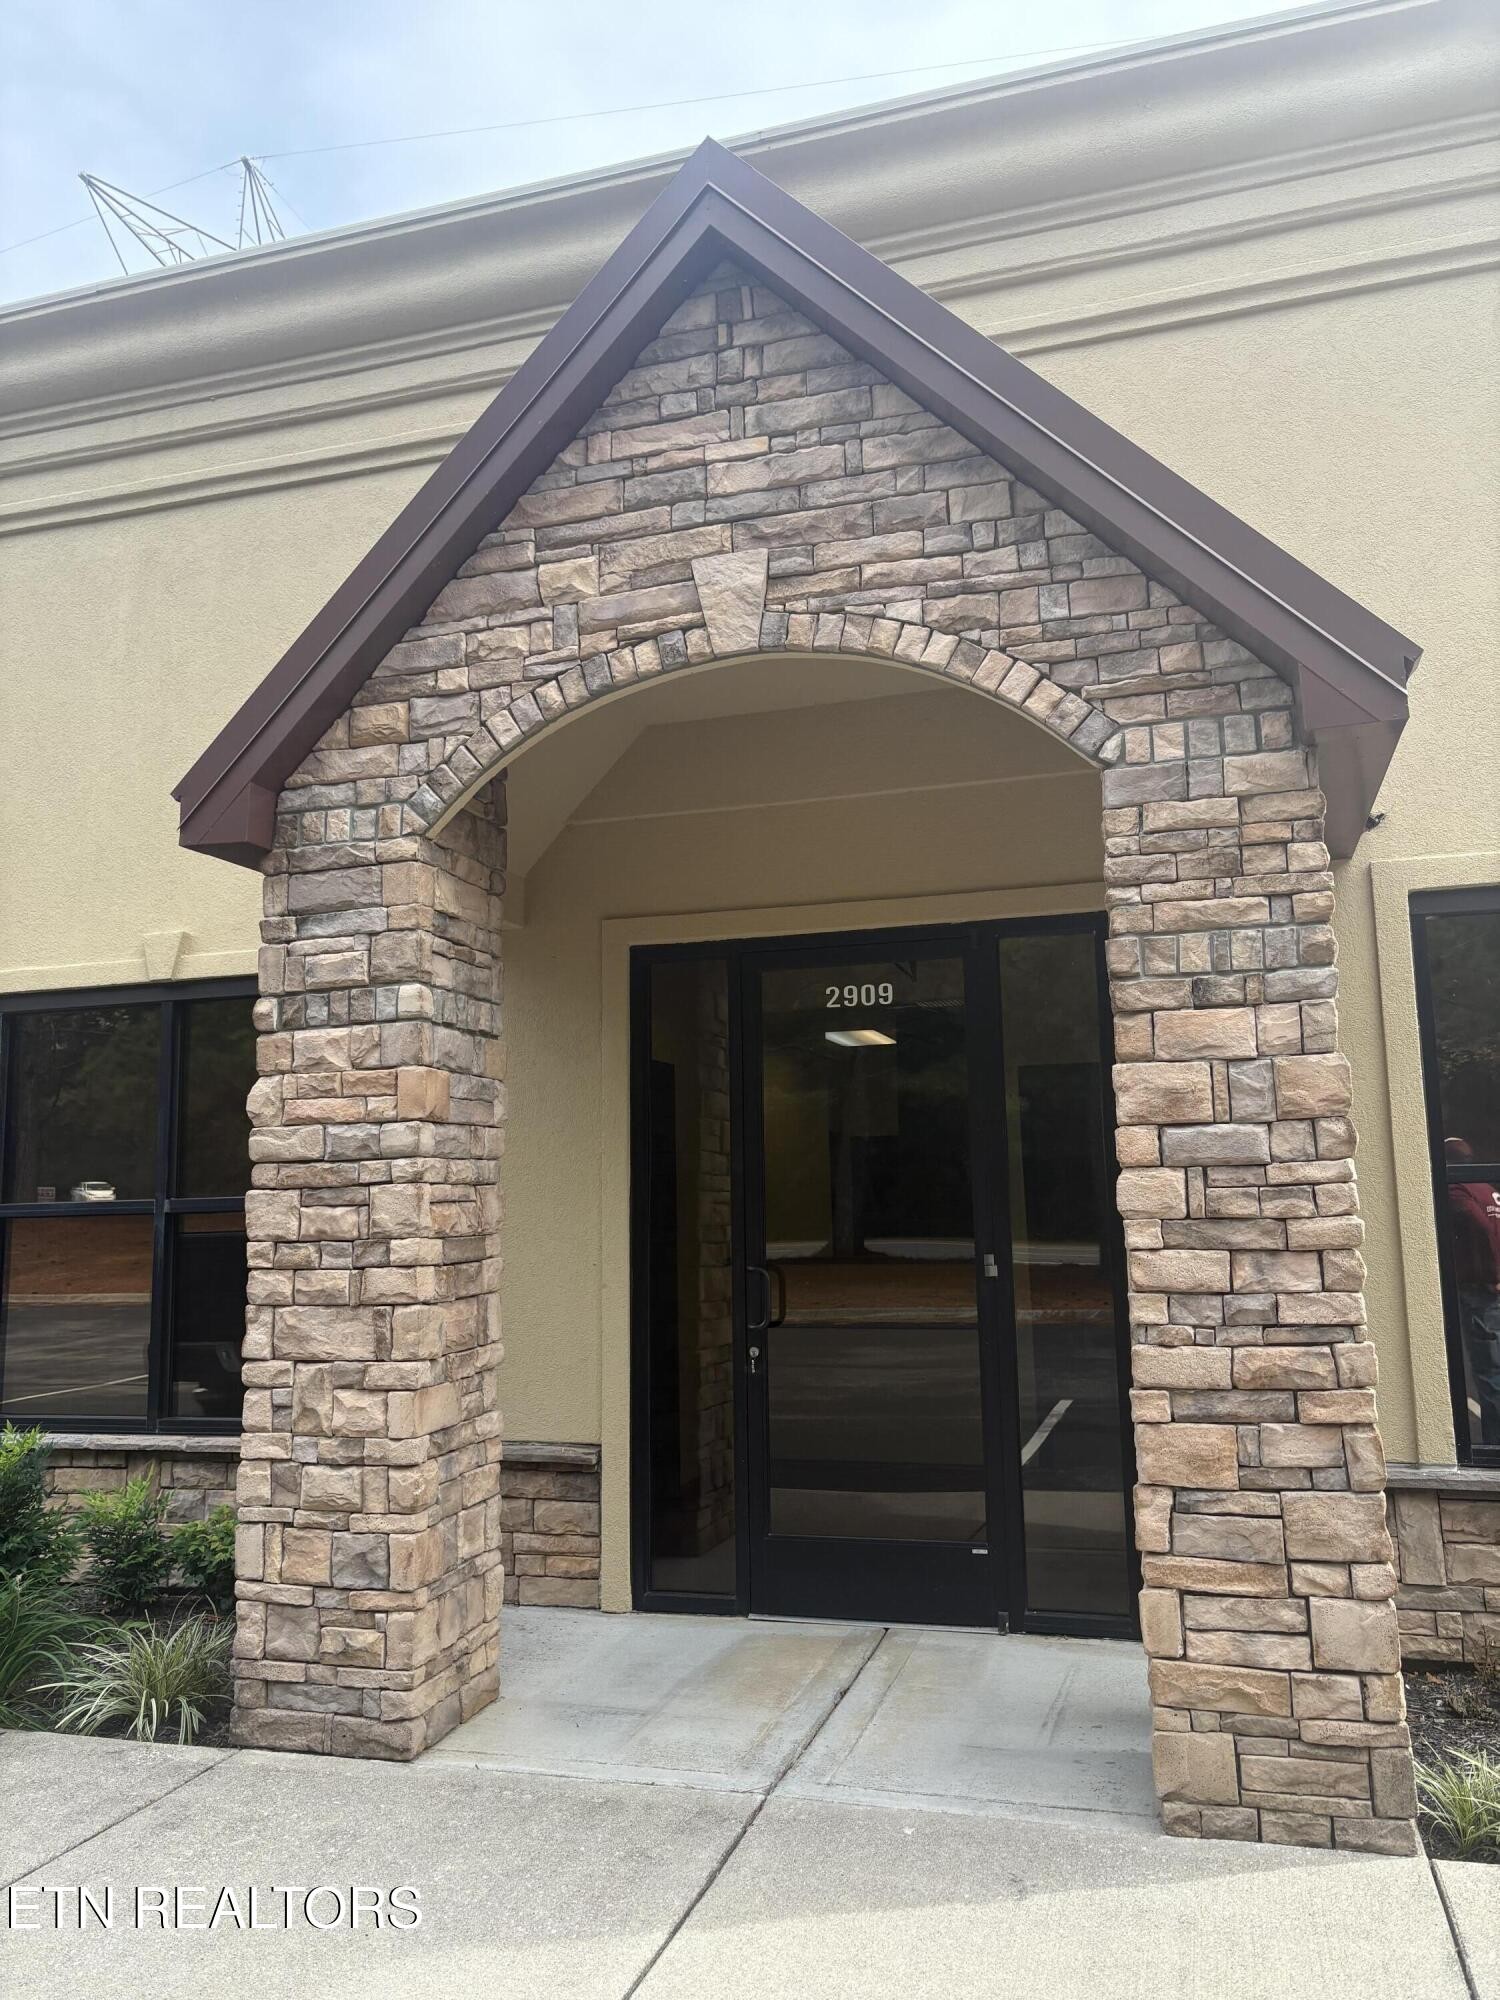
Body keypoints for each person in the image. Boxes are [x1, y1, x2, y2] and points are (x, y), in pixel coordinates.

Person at [1445, 1138, 1500, 1445]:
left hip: (1481, 1291)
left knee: (1489, 1370)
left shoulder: (1458, 1189)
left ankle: (1494, 1446)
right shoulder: (1489, 1190)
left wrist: (1492, 1274)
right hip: (1491, 1289)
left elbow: (1477, 1224)